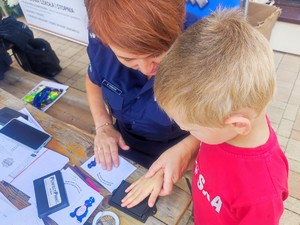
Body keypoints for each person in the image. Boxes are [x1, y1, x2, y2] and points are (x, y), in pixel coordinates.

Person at [122, 9, 289, 225]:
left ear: (237, 124)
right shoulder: (225, 131)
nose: (190, 135)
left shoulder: (262, 193)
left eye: (194, 129)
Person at [84, 0, 200, 194]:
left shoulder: (203, 46)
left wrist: (186, 150)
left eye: (156, 53)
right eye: (128, 59)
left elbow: (222, 120)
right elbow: (93, 79)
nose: (147, 69)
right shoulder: (102, 38)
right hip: (124, 140)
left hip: (182, 147)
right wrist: (103, 126)